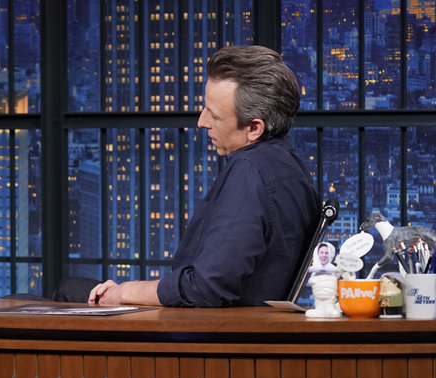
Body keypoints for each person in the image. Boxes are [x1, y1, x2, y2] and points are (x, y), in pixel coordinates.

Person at [55, 45, 320, 308]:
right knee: (70, 288)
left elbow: (205, 288)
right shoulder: (294, 169)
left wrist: (124, 293)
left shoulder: (249, 171)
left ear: (254, 128)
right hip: (246, 319)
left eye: (213, 115)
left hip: (210, 327)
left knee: (60, 294)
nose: (201, 122)